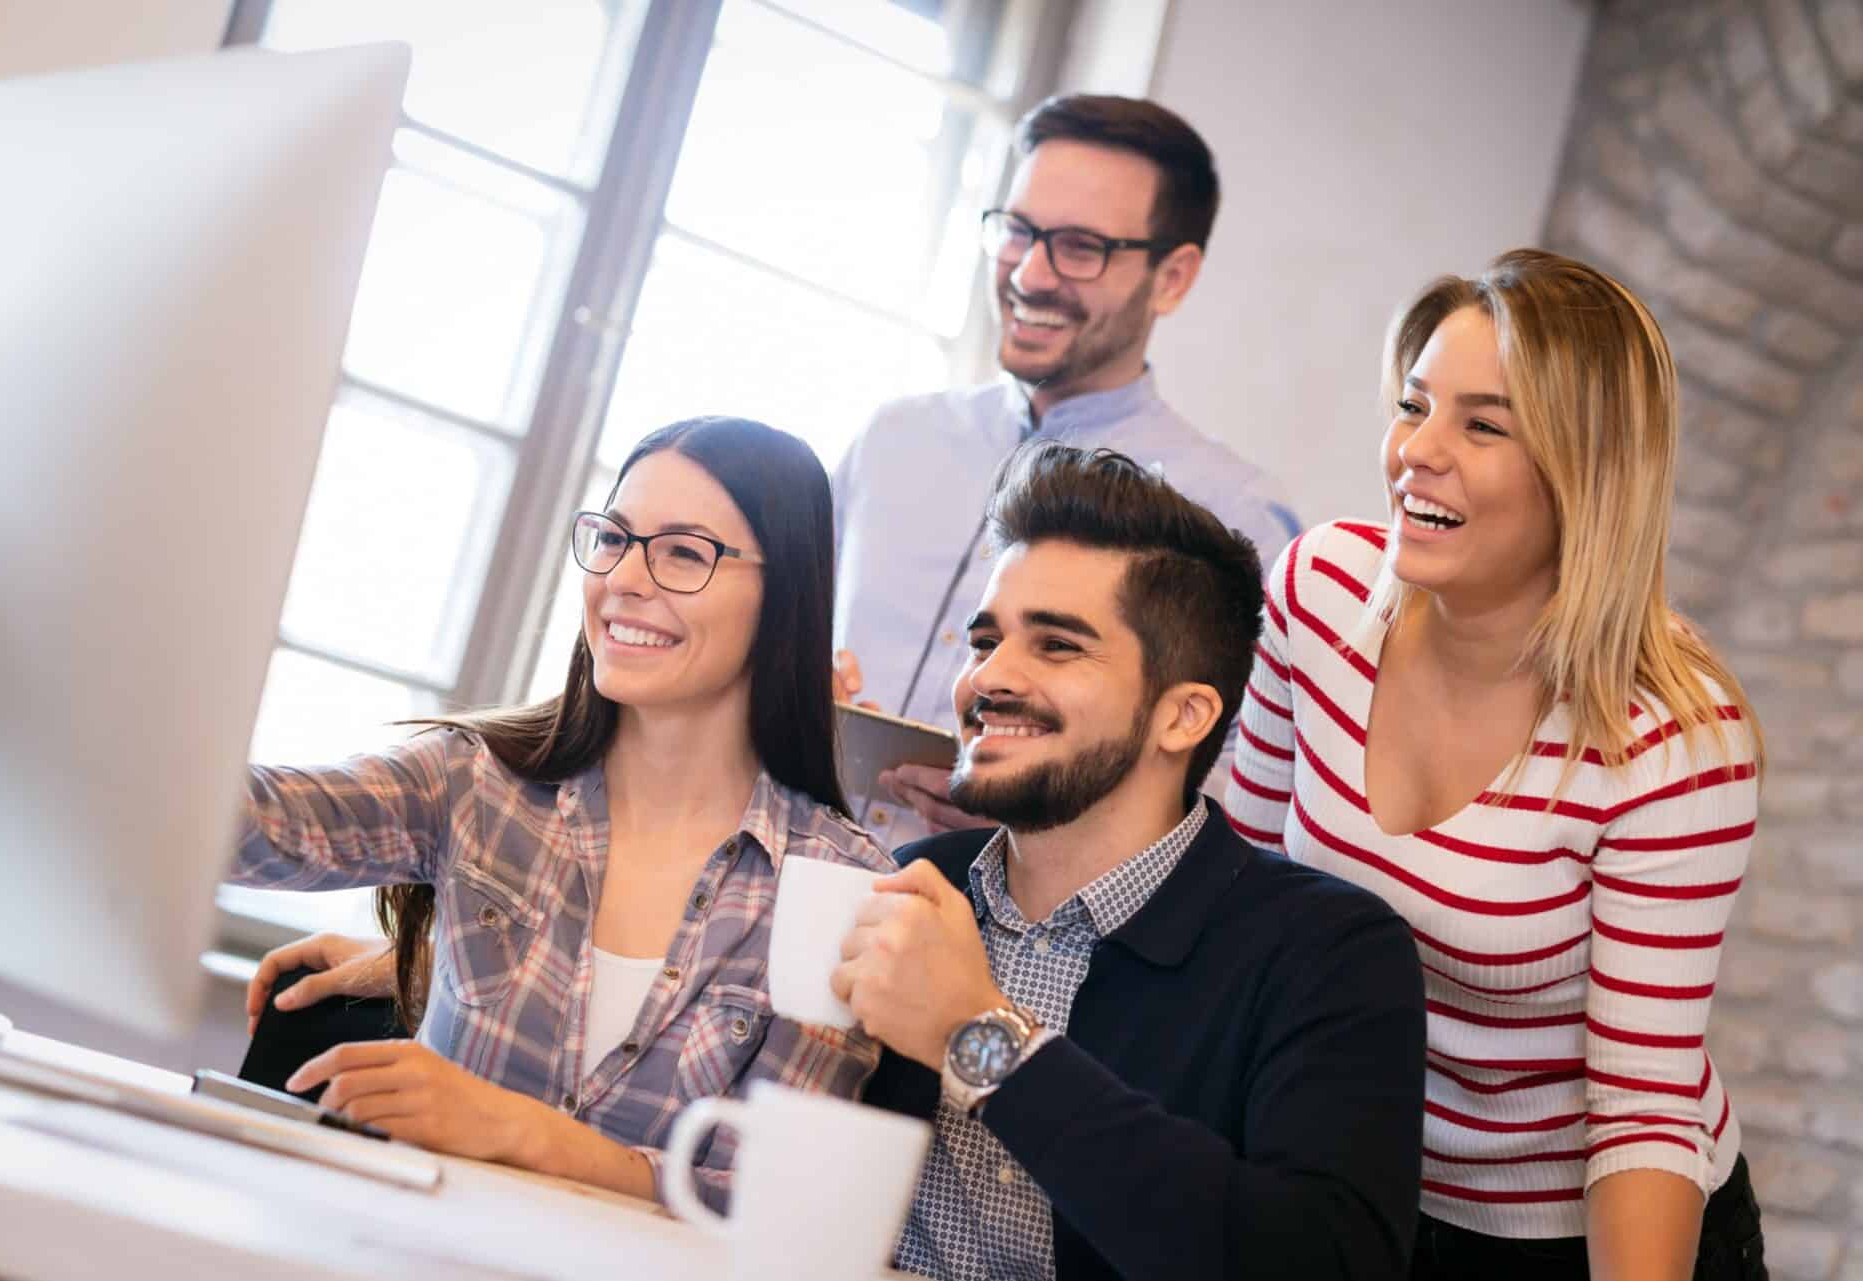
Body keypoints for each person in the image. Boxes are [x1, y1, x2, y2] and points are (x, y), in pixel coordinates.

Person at [1223, 250, 1769, 1279]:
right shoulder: (1319, 594)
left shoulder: (1673, 738)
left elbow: (1643, 1105)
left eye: (1482, 425)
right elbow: (1237, 907)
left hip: (1571, 1236)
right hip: (1347, 1184)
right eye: (1413, 404)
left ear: (1584, 475)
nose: (1414, 453)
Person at [227, 416, 890, 1207]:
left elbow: (763, 1202)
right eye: (613, 538)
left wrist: (523, 1132)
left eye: (684, 552)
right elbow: (255, 823)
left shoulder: (842, 884)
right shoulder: (477, 783)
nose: (626, 579)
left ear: (786, 593)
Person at [835, 441, 1428, 1281]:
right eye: (985, 639)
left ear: (1183, 716)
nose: (987, 677)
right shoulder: (910, 882)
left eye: (1057, 646)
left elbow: (1319, 1263)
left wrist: (984, 1039)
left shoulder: (1333, 953)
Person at [832, 92, 1296, 848]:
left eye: (1080, 247)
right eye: (1018, 231)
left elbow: (1252, 791)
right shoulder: (892, 440)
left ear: (1173, 278)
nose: (1031, 274)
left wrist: (1062, 806)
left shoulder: (1236, 516)